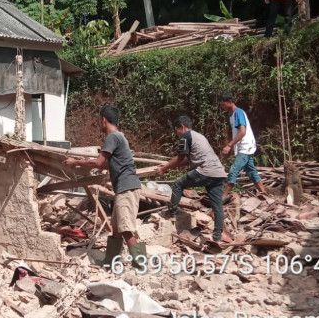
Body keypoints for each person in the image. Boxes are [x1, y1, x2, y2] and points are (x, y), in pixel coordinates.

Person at [64, 105, 146, 270]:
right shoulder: (119, 137)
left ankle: (141, 265)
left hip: (126, 187)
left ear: (103, 120)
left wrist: (76, 162)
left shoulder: (112, 137)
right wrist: (84, 164)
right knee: (116, 229)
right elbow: (109, 165)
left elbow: (98, 162)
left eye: (99, 121)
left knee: (126, 228)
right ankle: (110, 262)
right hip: (125, 187)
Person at [156, 116, 228, 241]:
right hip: (219, 173)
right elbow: (186, 161)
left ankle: (171, 213)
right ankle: (217, 236)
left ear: (182, 127)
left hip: (206, 170)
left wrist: (164, 168)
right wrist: (167, 165)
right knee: (217, 206)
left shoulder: (186, 136)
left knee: (178, 184)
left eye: (177, 130)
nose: (177, 134)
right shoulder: (199, 137)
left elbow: (180, 158)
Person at [218, 91, 268, 202]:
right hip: (243, 146)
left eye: (223, 104)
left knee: (233, 170)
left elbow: (242, 132)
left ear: (230, 102)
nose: (222, 107)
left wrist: (230, 145)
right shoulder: (231, 115)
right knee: (251, 171)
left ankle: (222, 197)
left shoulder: (238, 113)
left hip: (246, 146)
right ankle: (265, 195)